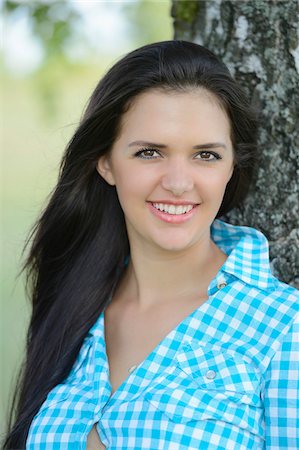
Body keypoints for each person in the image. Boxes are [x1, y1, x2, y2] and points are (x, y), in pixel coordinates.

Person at [4, 40, 298, 450]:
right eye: (149, 152)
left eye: (206, 156)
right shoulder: (74, 301)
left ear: (233, 166)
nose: (178, 183)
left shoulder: (285, 328)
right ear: (105, 162)